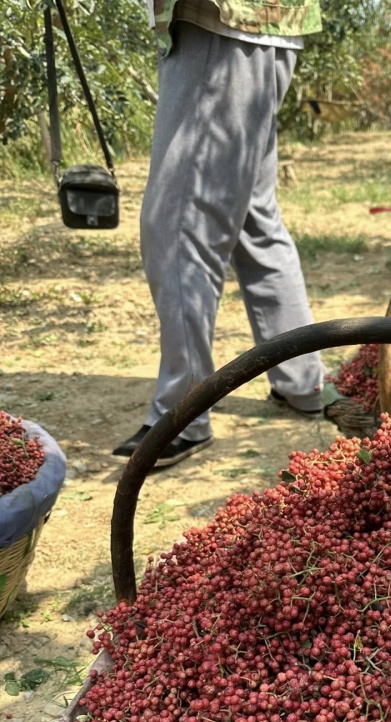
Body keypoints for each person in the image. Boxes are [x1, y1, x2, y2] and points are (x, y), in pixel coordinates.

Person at [112, 0, 327, 469]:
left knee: (179, 220)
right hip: (268, 25)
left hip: (223, 22)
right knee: (253, 215)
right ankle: (302, 378)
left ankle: (183, 410)